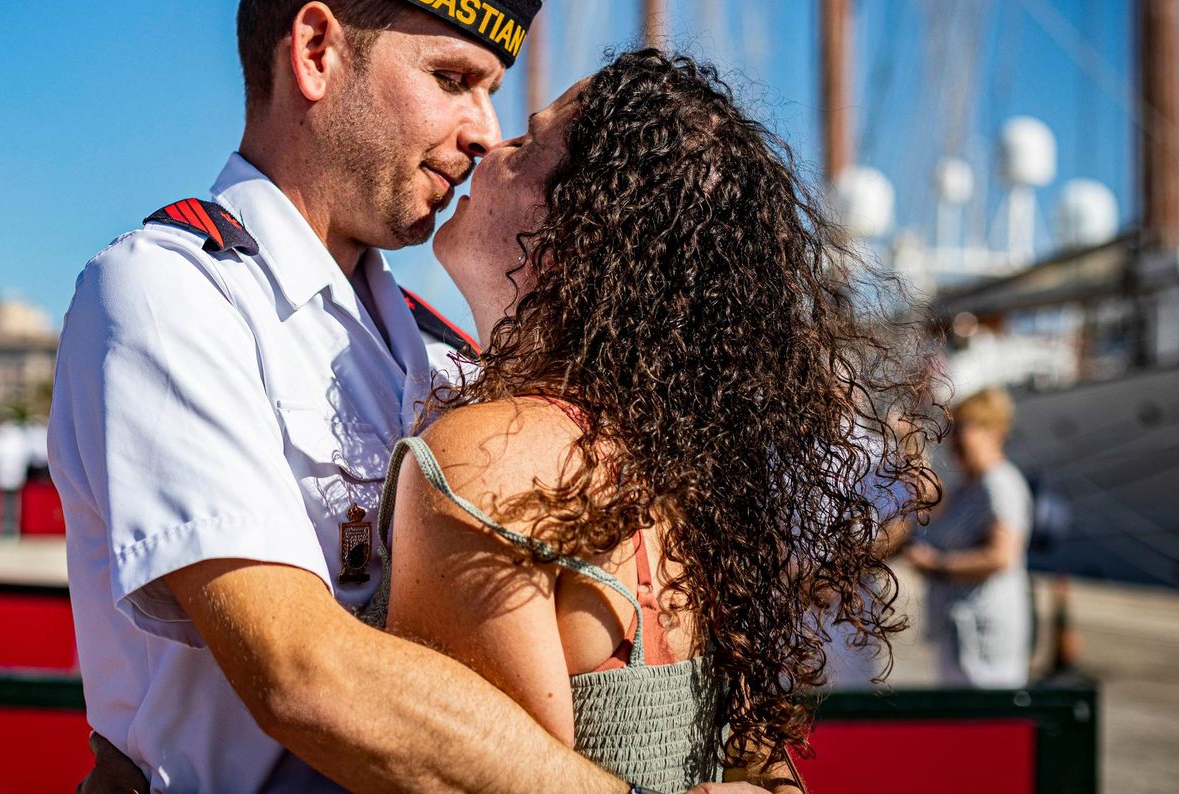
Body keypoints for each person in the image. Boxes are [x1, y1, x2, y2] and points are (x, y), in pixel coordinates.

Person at [55, 0, 771, 794]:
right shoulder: (172, 294)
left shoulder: (443, 351)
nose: (484, 129)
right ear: (316, 53)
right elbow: (303, 674)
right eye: (452, 78)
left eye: (492, 90)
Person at [355, 52, 936, 789]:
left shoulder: (485, 460)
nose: (489, 145)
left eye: (530, 146)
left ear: (585, 233)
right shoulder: (680, 475)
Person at [906, 386, 1033, 687]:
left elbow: (1002, 556)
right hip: (960, 633)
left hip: (985, 639)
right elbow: (930, 508)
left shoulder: (1000, 484)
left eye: (964, 428)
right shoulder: (967, 487)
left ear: (995, 431)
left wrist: (937, 566)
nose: (954, 440)